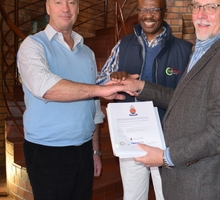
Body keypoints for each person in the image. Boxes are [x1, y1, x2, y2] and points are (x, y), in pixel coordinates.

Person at [110, 0, 220, 199]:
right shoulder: (203, 48)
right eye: (196, 6)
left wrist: (165, 157)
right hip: (188, 178)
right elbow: (183, 100)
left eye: (211, 7)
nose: (201, 14)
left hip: (205, 183)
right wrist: (141, 87)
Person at [16, 0, 134, 199]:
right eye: (58, 2)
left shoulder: (87, 52)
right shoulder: (33, 45)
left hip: (83, 149)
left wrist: (95, 151)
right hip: (48, 152)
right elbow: (46, 88)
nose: (65, 8)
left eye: (71, 2)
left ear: (78, 8)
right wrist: (98, 89)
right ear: (47, 7)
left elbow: (93, 107)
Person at [97, 0, 192, 199]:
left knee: (167, 196)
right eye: (143, 9)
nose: (148, 15)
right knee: (132, 196)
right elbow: (100, 81)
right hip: (131, 137)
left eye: (154, 9)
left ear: (164, 11)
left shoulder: (184, 50)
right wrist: (115, 77)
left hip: (167, 141)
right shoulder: (124, 44)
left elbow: (191, 98)